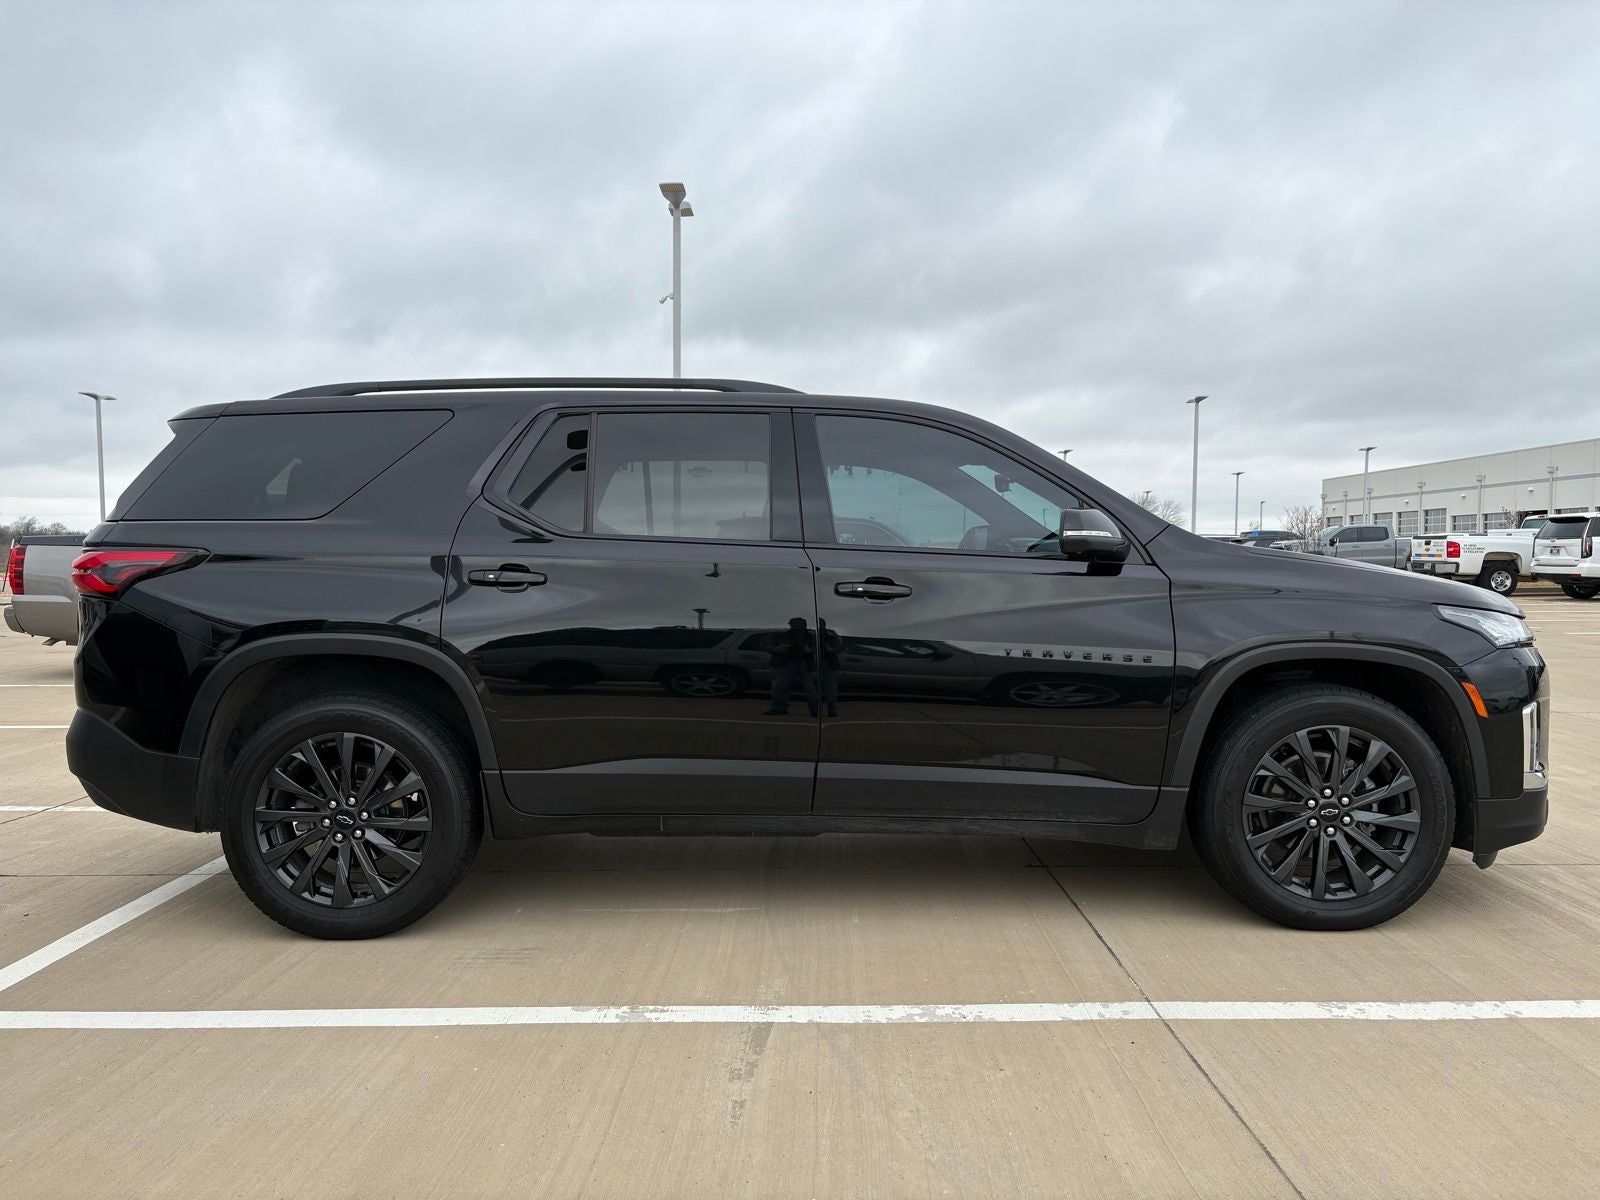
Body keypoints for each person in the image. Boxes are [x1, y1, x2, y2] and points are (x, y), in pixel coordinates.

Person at [762, 617, 817, 716]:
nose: (798, 626)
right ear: (791, 625)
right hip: (785, 662)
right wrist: (776, 649)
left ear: (805, 625)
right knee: (780, 687)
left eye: (800, 624)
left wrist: (809, 650)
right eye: (795, 624)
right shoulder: (781, 635)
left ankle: (815, 710)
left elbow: (820, 648)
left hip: (805, 663)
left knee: (810, 688)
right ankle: (778, 708)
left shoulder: (812, 637)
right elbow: (765, 645)